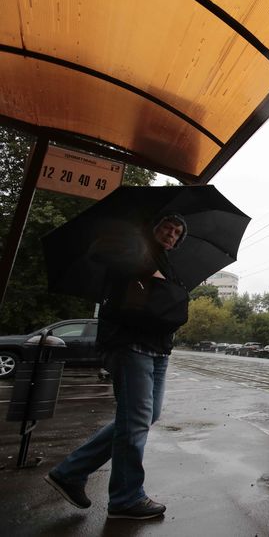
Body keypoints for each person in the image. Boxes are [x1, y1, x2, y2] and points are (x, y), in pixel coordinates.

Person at [44, 214, 190, 520]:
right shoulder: (133, 246)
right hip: (130, 345)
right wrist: (142, 264)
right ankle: (126, 497)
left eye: (177, 232)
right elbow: (100, 251)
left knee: (146, 416)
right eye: (166, 226)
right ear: (154, 226)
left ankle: (70, 472)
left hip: (158, 349)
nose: (171, 233)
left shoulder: (168, 262)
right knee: (135, 420)